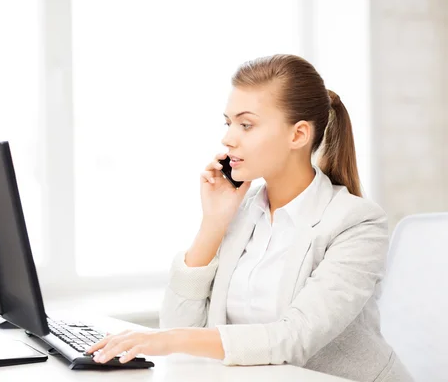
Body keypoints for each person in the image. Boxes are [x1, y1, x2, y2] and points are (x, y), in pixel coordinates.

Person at [87, 54, 413, 382]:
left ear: (298, 135)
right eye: (227, 123)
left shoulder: (357, 224)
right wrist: (212, 224)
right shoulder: (241, 214)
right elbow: (178, 325)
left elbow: (293, 338)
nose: (228, 138)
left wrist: (165, 341)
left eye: (246, 124)